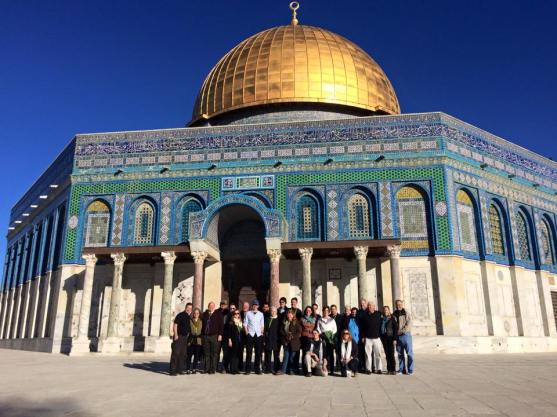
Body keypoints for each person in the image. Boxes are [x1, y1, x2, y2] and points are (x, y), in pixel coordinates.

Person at [360, 302, 383, 374]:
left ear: (374, 307)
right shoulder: (365, 315)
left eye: (371, 306)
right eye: (369, 306)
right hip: (368, 338)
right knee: (368, 354)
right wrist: (363, 336)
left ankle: (379, 369)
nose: (370, 307)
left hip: (377, 338)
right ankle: (368, 369)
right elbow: (362, 327)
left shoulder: (378, 314)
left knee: (378, 354)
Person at [202, 302, 224, 374]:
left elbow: (221, 325)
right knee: (206, 353)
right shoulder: (204, 314)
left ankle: (212, 369)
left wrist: (220, 335)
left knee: (214, 353)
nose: (211, 307)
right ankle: (206, 368)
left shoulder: (218, 314)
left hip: (214, 336)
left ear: (214, 307)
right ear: (208, 306)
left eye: (212, 306)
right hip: (206, 336)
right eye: (210, 306)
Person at [243, 299, 264, 374]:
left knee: (258, 353)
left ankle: (257, 369)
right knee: (249, 352)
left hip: (258, 335)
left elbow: (262, 324)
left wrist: (261, 332)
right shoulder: (248, 313)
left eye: (256, 305)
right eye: (254, 305)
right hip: (250, 334)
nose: (255, 306)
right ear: (252, 306)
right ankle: (248, 369)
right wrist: (247, 333)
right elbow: (245, 323)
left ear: (258, 306)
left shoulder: (261, 314)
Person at [278, 309, 302, 375]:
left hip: (294, 342)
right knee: (286, 356)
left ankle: (291, 370)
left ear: (293, 315)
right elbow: (281, 331)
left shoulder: (296, 322)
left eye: (291, 313)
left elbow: (299, 331)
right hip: (286, 341)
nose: (289, 315)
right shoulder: (284, 322)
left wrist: (292, 336)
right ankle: (283, 370)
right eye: (288, 313)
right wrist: (286, 335)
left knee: (292, 357)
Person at [169, 304, 191, 376]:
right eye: (188, 308)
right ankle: (172, 371)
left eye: (190, 308)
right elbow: (175, 325)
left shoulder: (188, 316)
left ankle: (179, 370)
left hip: (185, 338)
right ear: (185, 308)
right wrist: (176, 334)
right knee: (176, 353)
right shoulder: (180, 315)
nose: (189, 309)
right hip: (179, 337)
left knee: (183, 354)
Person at [393, 299, 414, 375]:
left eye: (400, 304)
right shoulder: (394, 314)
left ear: (402, 305)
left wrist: (401, 331)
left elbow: (409, 324)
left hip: (406, 335)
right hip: (398, 337)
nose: (398, 306)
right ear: (395, 305)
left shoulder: (406, 313)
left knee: (409, 353)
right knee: (400, 354)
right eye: (397, 304)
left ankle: (410, 370)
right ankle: (402, 369)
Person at [317, 305, 337, 376]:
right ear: (322, 312)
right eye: (324, 311)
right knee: (324, 354)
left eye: (327, 311)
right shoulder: (320, 320)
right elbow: (318, 328)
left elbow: (335, 329)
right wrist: (321, 334)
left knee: (330, 354)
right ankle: (325, 368)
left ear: (329, 312)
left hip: (330, 339)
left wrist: (331, 335)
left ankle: (331, 369)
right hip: (323, 338)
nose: (325, 312)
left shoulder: (332, 320)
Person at [224, 309, 243, 374]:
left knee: (238, 355)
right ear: (233, 315)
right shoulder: (231, 322)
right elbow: (229, 333)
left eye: (238, 313)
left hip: (239, 341)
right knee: (233, 355)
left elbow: (241, 332)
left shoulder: (240, 322)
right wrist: (229, 340)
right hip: (233, 340)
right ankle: (232, 369)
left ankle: (236, 369)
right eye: (235, 313)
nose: (236, 315)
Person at [380, 306, 398, 375]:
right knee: (387, 354)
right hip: (384, 338)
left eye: (387, 310)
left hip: (390, 338)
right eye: (384, 310)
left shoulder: (392, 318)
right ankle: (389, 369)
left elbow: (395, 329)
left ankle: (393, 369)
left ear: (389, 311)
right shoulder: (382, 319)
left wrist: (395, 339)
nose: (385, 311)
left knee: (391, 354)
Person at [263, 306, 280, 374]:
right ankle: (268, 368)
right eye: (272, 311)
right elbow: (264, 330)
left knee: (276, 355)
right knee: (268, 354)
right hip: (268, 339)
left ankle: (276, 369)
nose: (273, 312)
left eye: (274, 311)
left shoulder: (279, 320)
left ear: (276, 312)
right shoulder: (267, 319)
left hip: (276, 340)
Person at [186, 307, 203, 374]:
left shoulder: (201, 321)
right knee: (189, 355)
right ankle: (188, 368)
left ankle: (194, 368)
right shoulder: (190, 321)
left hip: (198, 340)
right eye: (195, 313)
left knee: (196, 355)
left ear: (199, 314)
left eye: (197, 313)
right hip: (191, 339)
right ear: (193, 314)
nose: (196, 314)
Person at [217, 301, 229, 373]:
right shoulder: (216, 312)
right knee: (217, 352)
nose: (223, 305)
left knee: (225, 352)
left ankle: (224, 367)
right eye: (222, 304)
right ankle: (215, 366)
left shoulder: (228, 313)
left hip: (225, 335)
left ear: (226, 305)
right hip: (218, 335)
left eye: (224, 304)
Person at [330, 304, 342, 372]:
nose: (333, 310)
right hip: (331, 338)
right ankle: (330, 367)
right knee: (330, 353)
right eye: (332, 309)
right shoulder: (329, 317)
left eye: (334, 309)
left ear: (336, 309)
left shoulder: (340, 317)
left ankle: (339, 367)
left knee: (338, 353)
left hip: (338, 337)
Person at [238, 301, 250, 372]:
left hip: (248, 334)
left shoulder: (251, 313)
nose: (245, 307)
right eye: (244, 306)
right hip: (241, 335)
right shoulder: (239, 313)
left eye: (246, 306)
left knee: (249, 351)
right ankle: (240, 366)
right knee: (240, 351)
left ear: (249, 307)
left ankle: (248, 367)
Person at [357, 298, 368, 372]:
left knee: (368, 352)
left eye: (363, 303)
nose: (362, 304)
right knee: (360, 351)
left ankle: (369, 366)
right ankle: (361, 366)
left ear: (366, 304)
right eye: (361, 303)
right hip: (360, 334)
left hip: (367, 334)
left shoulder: (368, 312)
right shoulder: (359, 312)